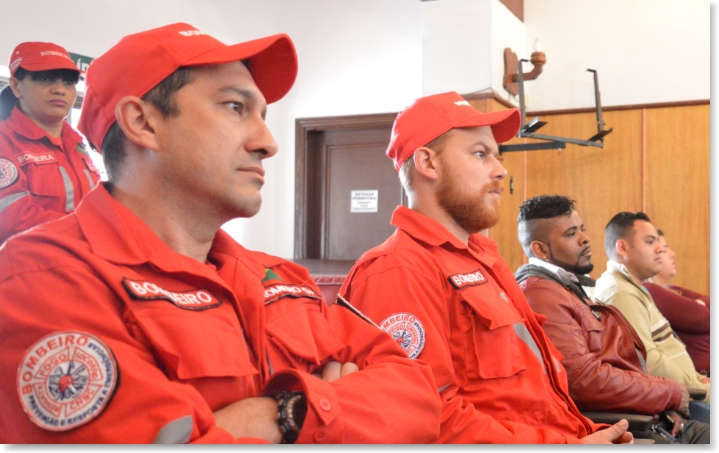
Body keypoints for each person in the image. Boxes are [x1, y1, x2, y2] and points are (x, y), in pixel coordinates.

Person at [0, 23, 442, 443]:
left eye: (263, 115)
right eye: (235, 108)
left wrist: (278, 414)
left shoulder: (286, 279)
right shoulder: (42, 281)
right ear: (142, 123)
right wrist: (330, 411)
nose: (268, 142)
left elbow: (420, 400)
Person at [339, 92, 633, 444]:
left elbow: (529, 398)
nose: (500, 169)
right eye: (481, 154)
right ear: (428, 164)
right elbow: (428, 418)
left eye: (497, 155)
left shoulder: (485, 259)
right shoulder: (397, 271)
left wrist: (592, 435)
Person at [514, 195, 709, 444]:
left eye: (581, 230)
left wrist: (658, 400)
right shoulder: (541, 294)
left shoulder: (563, 286)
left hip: (646, 411)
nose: (584, 238)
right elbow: (582, 381)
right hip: (620, 423)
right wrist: (667, 393)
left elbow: (614, 363)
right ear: (540, 249)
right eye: (571, 234)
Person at [594, 212, 710, 407]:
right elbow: (648, 362)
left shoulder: (631, 286)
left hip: (686, 391)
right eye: (650, 242)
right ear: (623, 247)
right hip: (678, 398)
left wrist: (698, 379)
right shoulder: (620, 292)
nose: (660, 249)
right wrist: (704, 390)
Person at [0, 41, 100, 244]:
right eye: (45, 79)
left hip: (83, 265)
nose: (60, 90)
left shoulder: (77, 143)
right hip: (25, 268)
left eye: (68, 82)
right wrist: (96, 230)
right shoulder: (4, 141)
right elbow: (12, 219)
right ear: (16, 86)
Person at [643, 230, 710, 375]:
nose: (672, 253)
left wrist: (700, 302)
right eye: (665, 249)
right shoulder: (649, 290)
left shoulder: (672, 289)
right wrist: (699, 305)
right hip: (698, 377)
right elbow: (704, 318)